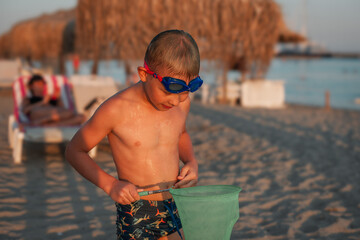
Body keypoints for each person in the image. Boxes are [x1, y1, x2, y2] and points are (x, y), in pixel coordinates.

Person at [65, 29, 203, 240]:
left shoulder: (181, 104)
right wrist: (110, 185)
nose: (176, 101)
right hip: (137, 208)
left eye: (185, 91)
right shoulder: (115, 110)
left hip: (176, 202)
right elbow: (75, 151)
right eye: (168, 91)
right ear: (144, 74)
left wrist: (191, 161)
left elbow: (181, 133)